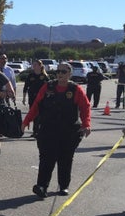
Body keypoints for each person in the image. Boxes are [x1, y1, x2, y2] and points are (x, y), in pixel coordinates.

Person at [23, 62, 91, 198]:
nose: (60, 74)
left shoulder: (75, 89)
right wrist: (26, 121)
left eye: (63, 72)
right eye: (58, 71)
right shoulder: (47, 87)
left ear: (70, 74)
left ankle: (64, 186)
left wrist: (86, 124)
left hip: (69, 131)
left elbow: (85, 107)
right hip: (48, 130)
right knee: (46, 158)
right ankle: (42, 186)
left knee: (65, 159)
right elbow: (36, 105)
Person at [22, 60, 51, 137]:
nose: (33, 66)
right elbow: (26, 87)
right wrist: (24, 98)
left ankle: (39, 130)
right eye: (33, 65)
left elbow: (50, 88)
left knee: (41, 115)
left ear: (40, 66)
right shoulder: (31, 75)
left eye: (35, 65)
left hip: (42, 98)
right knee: (34, 114)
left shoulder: (45, 76)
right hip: (32, 98)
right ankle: (35, 131)